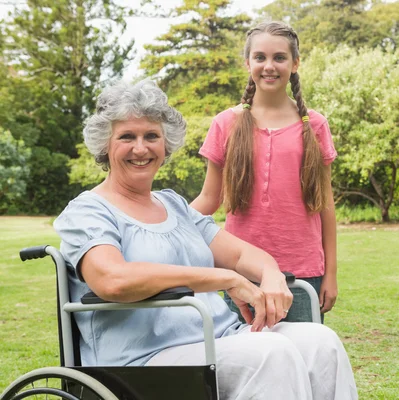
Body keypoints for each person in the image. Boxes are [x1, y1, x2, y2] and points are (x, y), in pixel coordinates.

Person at [53, 79, 358, 400]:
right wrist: (220, 278)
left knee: (320, 342)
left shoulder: (174, 205)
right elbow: (112, 280)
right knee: (271, 351)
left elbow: (242, 256)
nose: (140, 148)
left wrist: (270, 274)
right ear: (105, 145)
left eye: (151, 136)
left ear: (165, 144)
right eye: (127, 137)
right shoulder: (89, 210)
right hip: (141, 360)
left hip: (217, 338)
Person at [191, 21, 338, 323]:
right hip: (241, 275)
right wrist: (164, 222)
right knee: (247, 362)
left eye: (279, 58)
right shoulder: (225, 124)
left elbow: (325, 204)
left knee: (302, 362)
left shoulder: (315, 125)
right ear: (247, 63)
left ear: (295, 63)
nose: (269, 66)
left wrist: (331, 275)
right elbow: (209, 198)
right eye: (260, 57)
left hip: (303, 274)